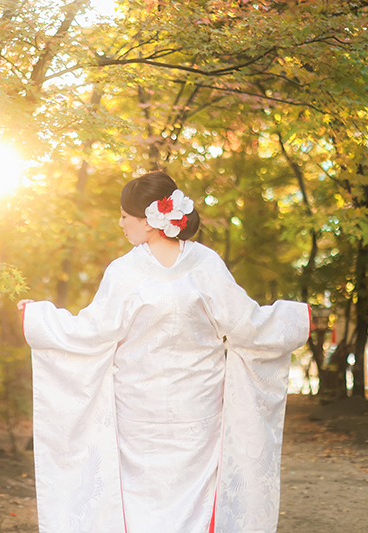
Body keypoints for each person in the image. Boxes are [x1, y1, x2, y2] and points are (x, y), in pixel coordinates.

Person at [17, 171, 310, 533]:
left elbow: (90, 332)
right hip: (182, 407)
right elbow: (247, 325)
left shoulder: (126, 271)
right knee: (192, 499)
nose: (121, 223)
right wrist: (294, 320)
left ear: (149, 221)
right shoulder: (205, 264)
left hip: (160, 408)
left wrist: (41, 319)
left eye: (126, 216)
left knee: (142, 502)